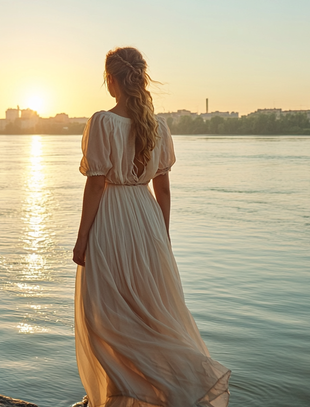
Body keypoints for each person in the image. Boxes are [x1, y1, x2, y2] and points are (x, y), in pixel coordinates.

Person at [72, 47, 231, 407]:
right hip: (147, 219)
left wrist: (81, 238)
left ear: (110, 80)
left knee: (105, 315)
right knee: (151, 311)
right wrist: (164, 235)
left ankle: (129, 395)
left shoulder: (102, 121)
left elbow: (96, 183)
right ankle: (154, 391)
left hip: (112, 219)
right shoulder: (158, 127)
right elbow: (164, 189)